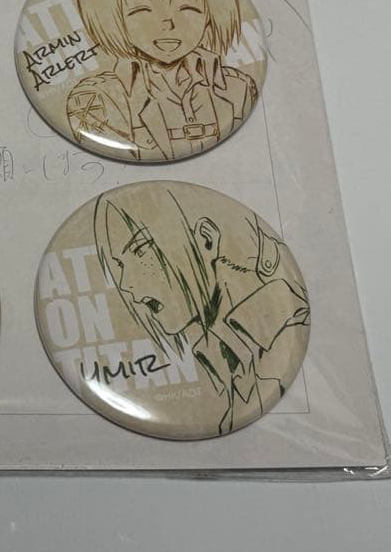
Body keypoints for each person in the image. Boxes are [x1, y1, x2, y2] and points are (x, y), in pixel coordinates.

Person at [93, 185, 310, 434]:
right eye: (120, 264)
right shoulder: (232, 366)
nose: (125, 284)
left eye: (141, 250)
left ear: (206, 239)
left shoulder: (288, 326)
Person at [65, 0, 258, 161]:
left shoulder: (239, 87)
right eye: (142, 9)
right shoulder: (99, 97)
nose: (168, 24)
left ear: (210, 14)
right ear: (114, 18)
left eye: (187, 7)